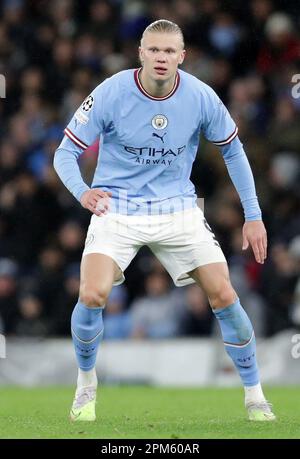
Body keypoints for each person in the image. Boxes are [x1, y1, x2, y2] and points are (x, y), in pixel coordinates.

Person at [54, 19, 275, 422]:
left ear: (182, 57)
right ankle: (86, 384)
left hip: (176, 210)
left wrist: (253, 215)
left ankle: (255, 396)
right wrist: (83, 191)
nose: (161, 58)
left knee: (224, 294)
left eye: (169, 51)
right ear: (140, 53)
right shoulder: (111, 92)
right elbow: (63, 153)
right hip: (117, 209)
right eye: (154, 50)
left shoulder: (201, 96)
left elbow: (234, 152)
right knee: (92, 295)